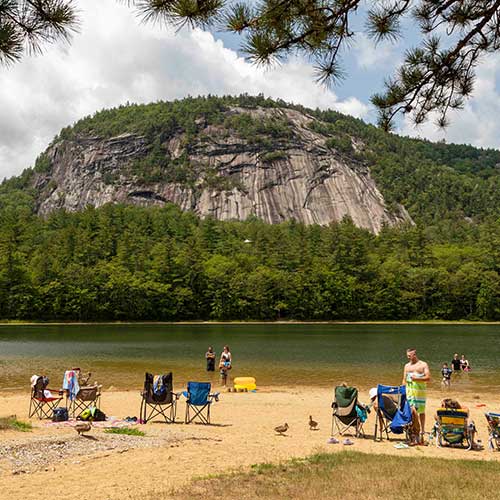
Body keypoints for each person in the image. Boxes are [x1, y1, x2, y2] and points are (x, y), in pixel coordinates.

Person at [402, 348, 430, 443]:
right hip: (409, 393)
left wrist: (417, 379)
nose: (409, 357)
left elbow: (428, 378)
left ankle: (422, 430)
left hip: (420, 393)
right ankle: (414, 432)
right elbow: (404, 379)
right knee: (412, 412)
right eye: (407, 356)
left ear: (415, 354)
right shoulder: (407, 366)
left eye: (410, 356)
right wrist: (403, 390)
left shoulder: (423, 364)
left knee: (421, 412)